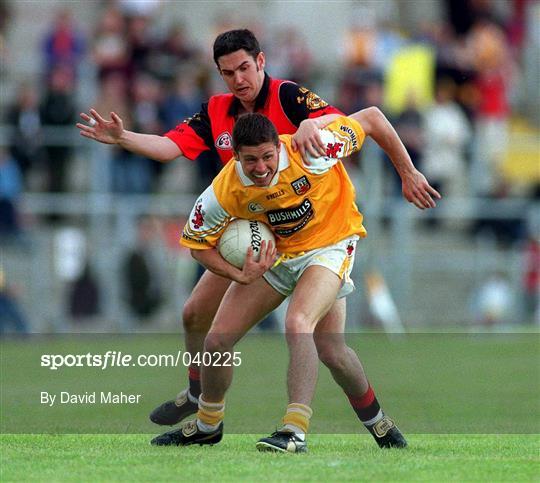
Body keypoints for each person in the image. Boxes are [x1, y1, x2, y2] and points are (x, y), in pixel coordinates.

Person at [77, 29, 359, 431]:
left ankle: (355, 421)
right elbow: (168, 146)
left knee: (330, 346)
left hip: (310, 231)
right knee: (194, 313)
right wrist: (123, 137)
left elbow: (341, 121)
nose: (238, 79)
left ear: (261, 62)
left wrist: (317, 124)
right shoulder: (216, 111)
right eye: (228, 73)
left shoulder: (288, 96)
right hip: (251, 231)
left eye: (244, 67)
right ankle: (198, 395)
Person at [151, 110, 440, 452]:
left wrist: (407, 173)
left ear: (279, 147)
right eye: (250, 160)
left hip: (331, 246)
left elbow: (374, 119)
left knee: (299, 323)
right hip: (279, 255)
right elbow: (197, 245)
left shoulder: (313, 151)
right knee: (219, 343)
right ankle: (207, 425)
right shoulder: (224, 189)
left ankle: (294, 431)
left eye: (267, 157)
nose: (260, 168)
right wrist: (238, 274)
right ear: (235, 157)